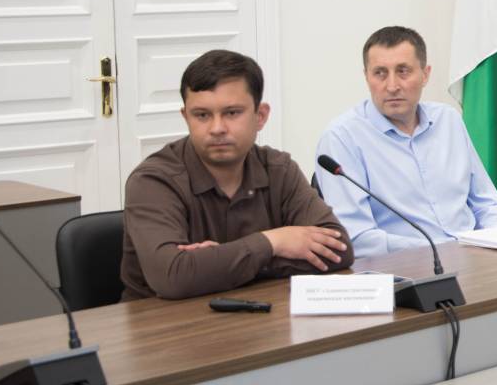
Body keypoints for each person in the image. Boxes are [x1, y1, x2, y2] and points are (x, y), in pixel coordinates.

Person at [121, 51, 353, 300]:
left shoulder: (279, 169)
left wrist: (215, 263)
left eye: (232, 113)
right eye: (202, 115)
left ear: (260, 116)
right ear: (186, 117)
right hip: (163, 321)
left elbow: (339, 251)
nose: (217, 128)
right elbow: (173, 278)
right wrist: (272, 242)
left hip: (257, 313)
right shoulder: (153, 180)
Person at [315, 26, 497, 257]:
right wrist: (441, 250)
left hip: (474, 257)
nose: (392, 86)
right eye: (380, 73)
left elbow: (486, 204)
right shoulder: (342, 137)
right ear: (366, 77)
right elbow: (357, 237)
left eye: (403, 71)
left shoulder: (448, 120)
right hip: (401, 268)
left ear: (425, 74)